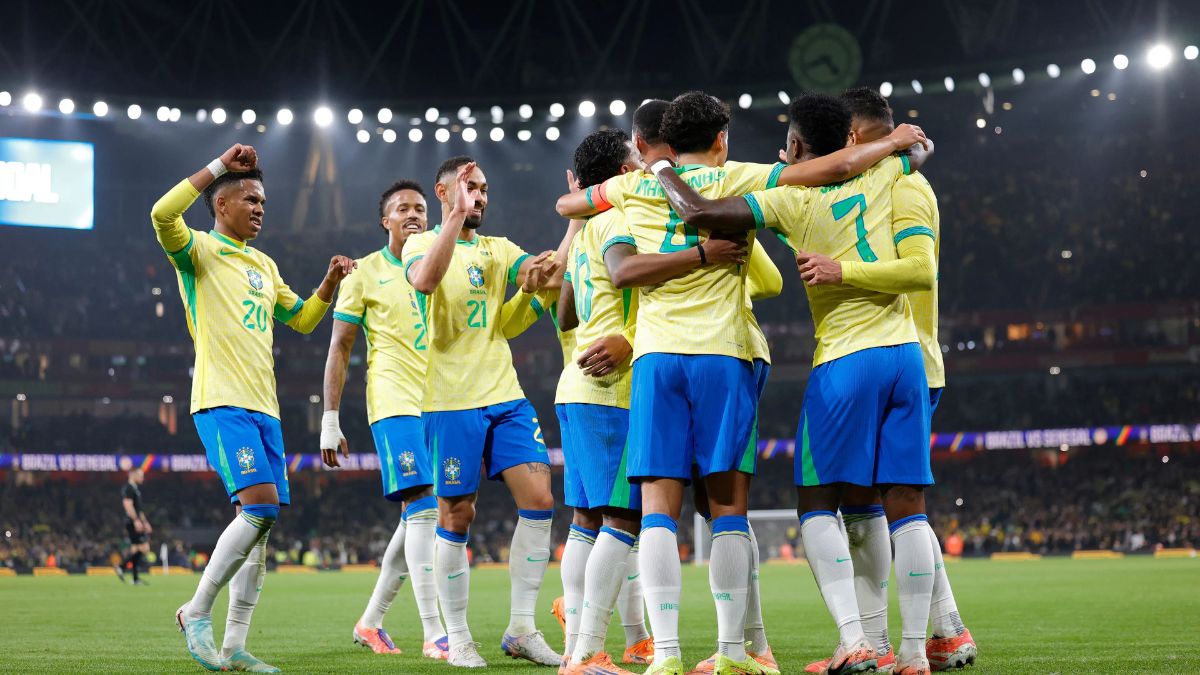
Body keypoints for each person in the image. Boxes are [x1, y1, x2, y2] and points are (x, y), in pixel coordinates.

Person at [555, 92, 924, 675]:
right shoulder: (742, 176)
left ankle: (666, 655)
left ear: (664, 145)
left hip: (654, 358)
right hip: (725, 355)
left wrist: (641, 175)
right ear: (722, 138)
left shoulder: (630, 190)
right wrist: (896, 147)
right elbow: (835, 167)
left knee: (654, 511)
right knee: (727, 510)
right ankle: (734, 652)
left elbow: (568, 202)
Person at [151, 143, 354, 672]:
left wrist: (330, 283)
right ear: (222, 205)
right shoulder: (196, 252)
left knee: (259, 527)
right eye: (250, 199)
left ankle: (235, 645)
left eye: (264, 201)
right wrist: (219, 166)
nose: (261, 208)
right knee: (259, 508)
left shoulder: (265, 264)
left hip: (267, 409)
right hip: (221, 401)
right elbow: (161, 212)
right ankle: (195, 611)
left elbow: (304, 320)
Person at [798, 86, 976, 673]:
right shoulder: (880, 182)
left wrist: (839, 269)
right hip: (899, 359)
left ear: (851, 139)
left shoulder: (902, 186)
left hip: (904, 358)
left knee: (880, 503)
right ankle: (944, 634)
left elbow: (919, 272)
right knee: (888, 501)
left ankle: (884, 642)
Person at [402, 157, 562, 668]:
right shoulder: (419, 243)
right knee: (457, 514)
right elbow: (425, 282)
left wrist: (565, 239)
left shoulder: (498, 248)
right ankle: (458, 637)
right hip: (450, 401)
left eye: (485, 189)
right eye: (470, 187)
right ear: (444, 190)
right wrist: (452, 216)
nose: (480, 197)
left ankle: (521, 628)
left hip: (504, 395)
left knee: (539, 499)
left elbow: (535, 274)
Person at [319, 179, 449, 660]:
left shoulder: (439, 262)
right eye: (402, 208)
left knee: (415, 517)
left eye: (420, 208)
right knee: (424, 509)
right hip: (394, 400)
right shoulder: (362, 273)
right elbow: (340, 347)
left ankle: (371, 622)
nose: (413, 214)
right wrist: (330, 418)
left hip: (439, 400)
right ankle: (435, 632)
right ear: (385, 220)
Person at [116, 468, 152, 585]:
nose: (143, 478)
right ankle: (121, 566)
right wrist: (136, 520)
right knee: (145, 548)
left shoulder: (135, 489)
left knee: (136, 549)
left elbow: (138, 509)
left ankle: (135, 578)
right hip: (132, 522)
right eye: (140, 476)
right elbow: (127, 505)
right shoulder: (129, 488)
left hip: (135, 521)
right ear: (133, 475)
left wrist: (145, 522)